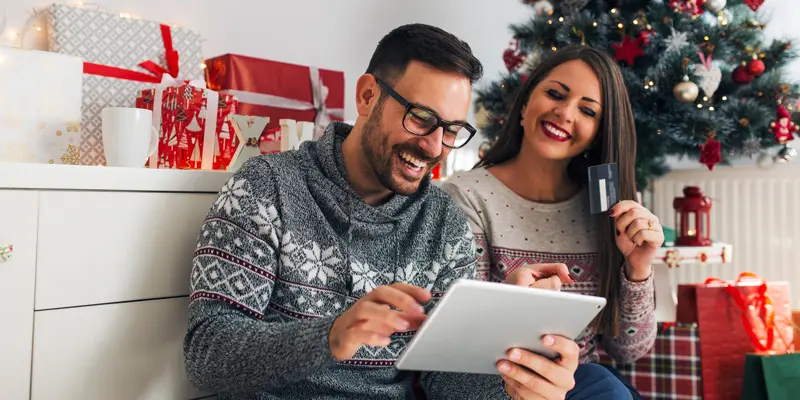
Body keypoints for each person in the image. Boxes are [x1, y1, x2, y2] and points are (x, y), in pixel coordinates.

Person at [184, 24, 630, 400]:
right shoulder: (268, 186)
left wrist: (518, 375)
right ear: (366, 96)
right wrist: (331, 336)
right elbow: (208, 354)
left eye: (452, 130)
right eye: (420, 118)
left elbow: (443, 381)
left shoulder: (443, 222)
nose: (434, 146)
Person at [440, 45, 663, 398]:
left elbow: (628, 350)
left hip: (582, 384)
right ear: (526, 104)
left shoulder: (610, 210)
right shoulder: (466, 196)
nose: (564, 112)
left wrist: (638, 268)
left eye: (587, 110)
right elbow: (462, 340)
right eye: (554, 94)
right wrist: (514, 305)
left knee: (604, 383)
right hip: (497, 383)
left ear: (600, 131)